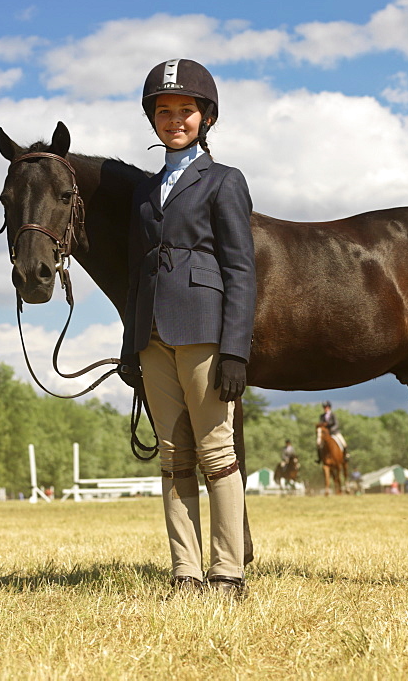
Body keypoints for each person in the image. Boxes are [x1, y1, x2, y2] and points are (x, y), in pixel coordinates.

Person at [118, 58, 256, 598]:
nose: (174, 119)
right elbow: (136, 272)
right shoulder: (145, 191)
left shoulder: (224, 181)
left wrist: (235, 350)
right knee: (174, 457)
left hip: (203, 328)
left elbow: (241, 268)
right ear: (153, 118)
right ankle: (185, 572)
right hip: (152, 335)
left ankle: (227, 572)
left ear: (205, 117)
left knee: (216, 452)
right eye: (164, 111)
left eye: (186, 110)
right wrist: (131, 345)